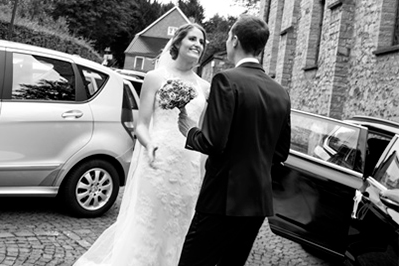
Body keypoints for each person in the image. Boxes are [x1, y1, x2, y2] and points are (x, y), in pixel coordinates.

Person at [73, 23, 210, 266]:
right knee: (149, 224)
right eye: (192, 38)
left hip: (188, 167)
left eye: (201, 42)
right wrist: (148, 144)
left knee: (181, 224)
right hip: (158, 161)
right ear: (177, 42)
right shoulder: (154, 78)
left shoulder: (204, 88)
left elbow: (204, 131)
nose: (198, 45)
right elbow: (142, 125)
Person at [177, 14, 291, 266]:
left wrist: (190, 131)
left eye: (228, 36)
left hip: (222, 198)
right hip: (258, 201)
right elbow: (281, 152)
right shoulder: (281, 92)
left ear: (235, 40)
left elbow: (213, 143)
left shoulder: (227, 80)